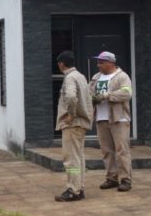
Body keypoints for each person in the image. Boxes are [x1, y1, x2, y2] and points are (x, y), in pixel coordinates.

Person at [91, 51, 134, 192]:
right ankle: (112, 178)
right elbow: (88, 92)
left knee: (122, 150)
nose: (98, 65)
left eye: (101, 62)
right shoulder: (96, 77)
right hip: (101, 118)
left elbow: (127, 93)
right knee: (106, 151)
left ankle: (126, 179)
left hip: (119, 119)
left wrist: (106, 96)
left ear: (110, 63)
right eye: (98, 62)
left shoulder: (122, 77)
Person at [54, 50, 92, 202]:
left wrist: (70, 114)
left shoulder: (69, 78)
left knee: (71, 159)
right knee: (79, 157)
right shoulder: (81, 76)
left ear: (61, 64)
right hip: (81, 123)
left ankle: (73, 190)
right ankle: (79, 188)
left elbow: (70, 96)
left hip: (73, 124)